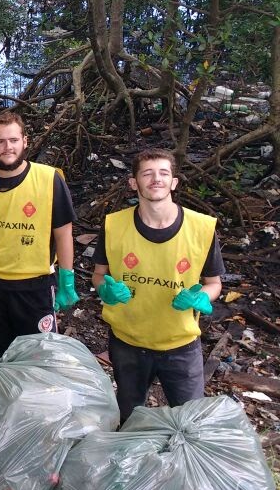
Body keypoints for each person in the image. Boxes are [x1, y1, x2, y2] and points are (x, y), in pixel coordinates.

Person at [91, 149, 224, 421]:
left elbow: (214, 283)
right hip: (128, 342)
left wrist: (202, 299)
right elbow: (99, 274)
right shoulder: (115, 225)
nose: (156, 179)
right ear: (134, 182)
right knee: (128, 417)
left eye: (164, 173)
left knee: (189, 422)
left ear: (174, 182)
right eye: (147, 173)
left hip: (180, 344)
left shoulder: (201, 228)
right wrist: (105, 290)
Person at [0, 111, 78, 361]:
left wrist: (67, 280)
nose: (7, 147)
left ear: (25, 142)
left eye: (13, 140)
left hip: (35, 286)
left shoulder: (49, 178)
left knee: (38, 359)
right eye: (0, 141)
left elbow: (64, 234)